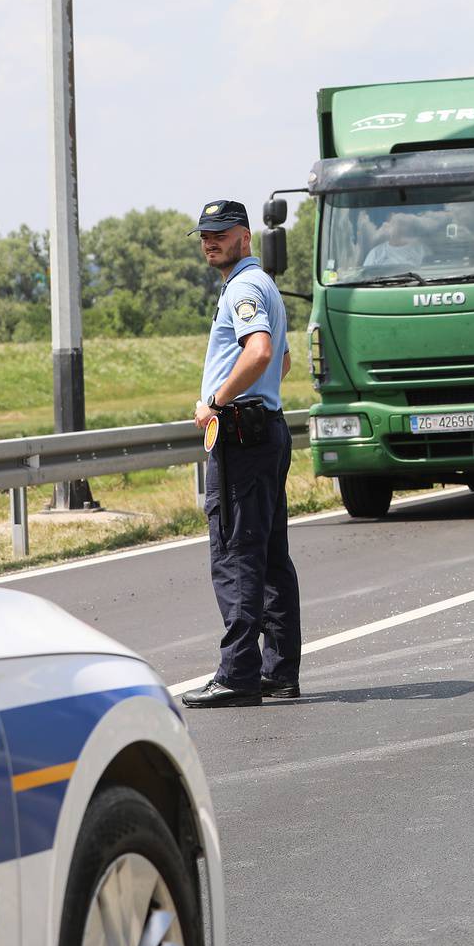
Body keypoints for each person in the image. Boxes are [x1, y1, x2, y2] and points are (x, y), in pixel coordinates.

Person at [181, 200, 301, 709]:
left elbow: (262, 353)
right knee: (271, 559)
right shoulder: (260, 285)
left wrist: (216, 401)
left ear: (245, 237)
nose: (210, 241)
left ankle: (238, 674)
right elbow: (285, 361)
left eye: (221, 233)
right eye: (205, 234)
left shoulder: (246, 288)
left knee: (235, 556)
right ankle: (277, 673)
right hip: (265, 430)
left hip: (243, 437)